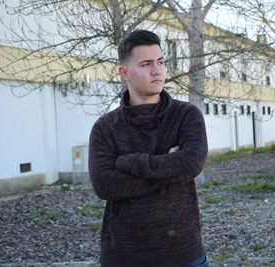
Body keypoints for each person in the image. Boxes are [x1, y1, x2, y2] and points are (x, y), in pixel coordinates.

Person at [88, 29, 209, 267]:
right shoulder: (106, 127)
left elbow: (191, 163)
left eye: (161, 62)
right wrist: (169, 166)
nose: (158, 71)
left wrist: (128, 162)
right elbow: (104, 185)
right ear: (124, 72)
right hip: (123, 256)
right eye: (146, 64)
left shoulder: (186, 115)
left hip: (183, 253)